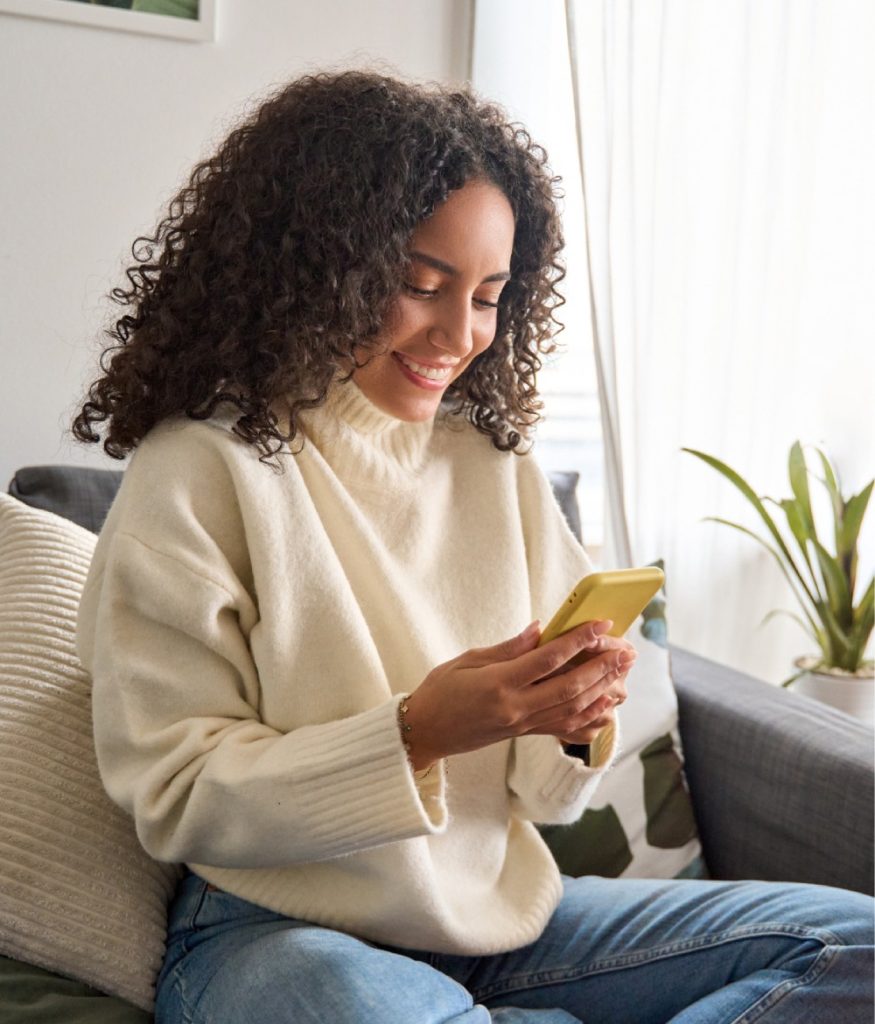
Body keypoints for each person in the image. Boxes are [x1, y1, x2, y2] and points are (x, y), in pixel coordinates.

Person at [72, 68, 874, 1024]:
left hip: (498, 926)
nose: (460, 335)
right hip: (272, 935)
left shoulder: (492, 464)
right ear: (314, 266)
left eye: (490, 296)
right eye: (419, 285)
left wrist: (571, 715)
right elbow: (176, 795)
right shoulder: (201, 472)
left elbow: (545, 793)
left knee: (852, 944)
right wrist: (418, 733)